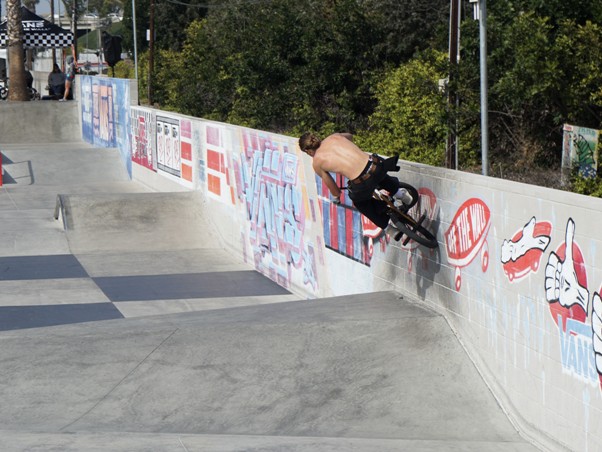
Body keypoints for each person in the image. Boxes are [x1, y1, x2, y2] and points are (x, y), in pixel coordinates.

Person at [299, 132, 413, 234]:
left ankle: (389, 229)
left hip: (362, 182)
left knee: (360, 203)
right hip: (376, 164)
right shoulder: (334, 137)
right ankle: (401, 194)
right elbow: (350, 136)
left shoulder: (317, 163)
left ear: (307, 151)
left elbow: (335, 190)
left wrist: (336, 198)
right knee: (378, 173)